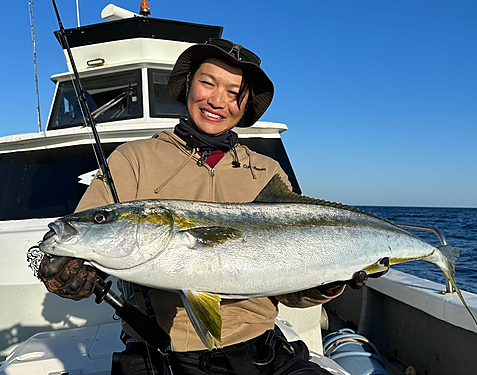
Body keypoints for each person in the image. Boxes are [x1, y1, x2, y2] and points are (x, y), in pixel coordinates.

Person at [39, 38, 383, 375]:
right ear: (188, 85)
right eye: (207, 83)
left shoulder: (267, 171)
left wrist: (326, 283)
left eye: (234, 93)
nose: (218, 101)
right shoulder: (135, 159)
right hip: (161, 354)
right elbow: (81, 238)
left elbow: (290, 285)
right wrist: (65, 273)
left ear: (245, 105)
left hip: (262, 351)